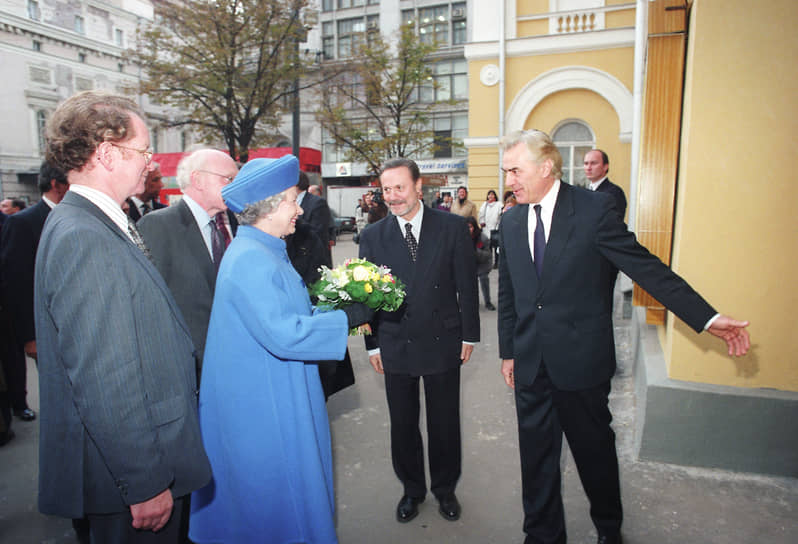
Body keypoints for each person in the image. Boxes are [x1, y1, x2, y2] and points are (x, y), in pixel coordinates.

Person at [497, 130, 750, 544]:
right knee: (537, 459)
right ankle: (542, 535)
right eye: (506, 171)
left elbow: (646, 268)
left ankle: (609, 530)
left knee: (593, 454)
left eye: (515, 171)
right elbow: (510, 292)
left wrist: (707, 318)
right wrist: (508, 351)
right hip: (530, 362)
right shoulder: (511, 220)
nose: (509, 180)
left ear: (545, 167)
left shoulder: (595, 210)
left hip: (581, 364)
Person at [35, 90, 211, 543]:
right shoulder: (84, 236)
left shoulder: (94, 221)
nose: (151, 163)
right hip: (132, 480)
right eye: (143, 151)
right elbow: (105, 376)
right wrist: (145, 481)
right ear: (108, 153)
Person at [189, 155, 373, 544]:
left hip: (275, 390)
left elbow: (294, 312)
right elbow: (285, 333)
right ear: (269, 206)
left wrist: (335, 309)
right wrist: (347, 320)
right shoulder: (252, 260)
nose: (300, 208)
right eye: (292, 199)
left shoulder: (265, 248)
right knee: (274, 507)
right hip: (264, 409)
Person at [358, 158, 480, 524]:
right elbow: (367, 296)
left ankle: (445, 489)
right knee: (403, 423)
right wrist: (373, 345)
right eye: (386, 189)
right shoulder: (372, 236)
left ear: (418, 186)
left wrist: (470, 334)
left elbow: (466, 286)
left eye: (400, 188)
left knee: (444, 422)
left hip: (443, 338)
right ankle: (412, 490)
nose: (392, 196)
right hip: (396, 342)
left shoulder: (453, 228)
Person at [137, 148, 239, 380]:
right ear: (198, 179)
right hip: (185, 370)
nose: (235, 186)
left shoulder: (229, 227)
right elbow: (149, 306)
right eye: (228, 179)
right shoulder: (158, 226)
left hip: (227, 361)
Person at [0, 161, 68, 423]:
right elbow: (17, 283)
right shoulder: (22, 223)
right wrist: (30, 337)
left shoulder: (75, 215)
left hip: (74, 324)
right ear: (57, 185)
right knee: (58, 393)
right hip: (45, 329)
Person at [297, 171, 333, 260]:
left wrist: (295, 219)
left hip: (311, 261)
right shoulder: (286, 202)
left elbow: (317, 233)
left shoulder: (317, 203)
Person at [584, 149, 627, 220]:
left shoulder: (614, 192)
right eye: (586, 163)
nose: (588, 168)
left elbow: (612, 223)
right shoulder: (583, 191)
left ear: (605, 167)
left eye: (593, 163)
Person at [465, 216, 495, 311]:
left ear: (474, 227)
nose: (468, 229)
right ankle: (470, 302)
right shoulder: (462, 237)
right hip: (469, 264)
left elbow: (488, 255)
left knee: (483, 279)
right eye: (466, 227)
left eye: (470, 227)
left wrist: (475, 251)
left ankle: (488, 302)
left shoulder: (482, 238)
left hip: (482, 264)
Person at [479, 189, 502, 268]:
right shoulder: (485, 204)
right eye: (489, 194)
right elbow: (481, 214)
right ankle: (489, 262)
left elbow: (501, 215)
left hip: (495, 228)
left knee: (496, 247)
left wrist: (498, 225)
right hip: (486, 228)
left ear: (495, 196)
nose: (490, 196)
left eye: (492, 194)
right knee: (488, 247)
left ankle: (496, 263)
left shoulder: (499, 204)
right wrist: (481, 222)